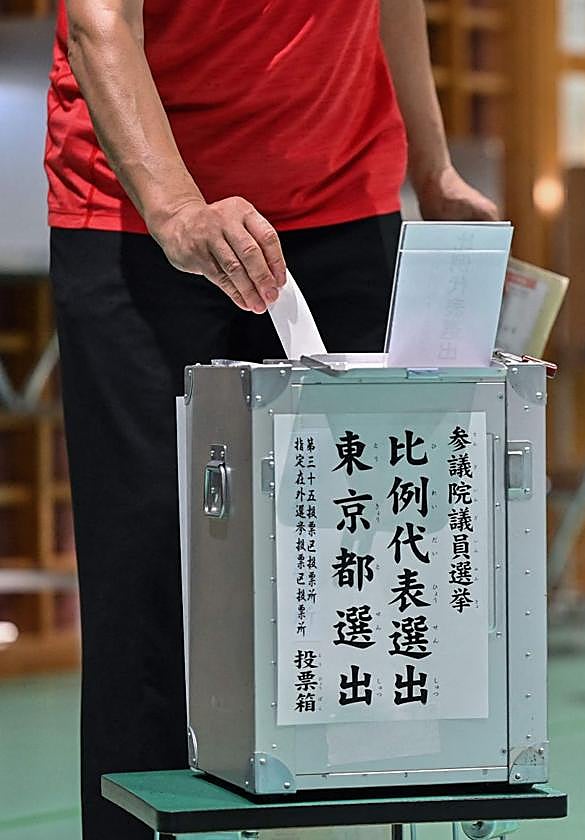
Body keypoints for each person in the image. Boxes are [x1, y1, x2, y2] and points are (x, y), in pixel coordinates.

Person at [45, 2, 497, 838]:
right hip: (136, 212)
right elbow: (100, 22)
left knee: (359, 558)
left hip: (342, 203)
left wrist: (432, 169)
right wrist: (177, 209)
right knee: (153, 572)